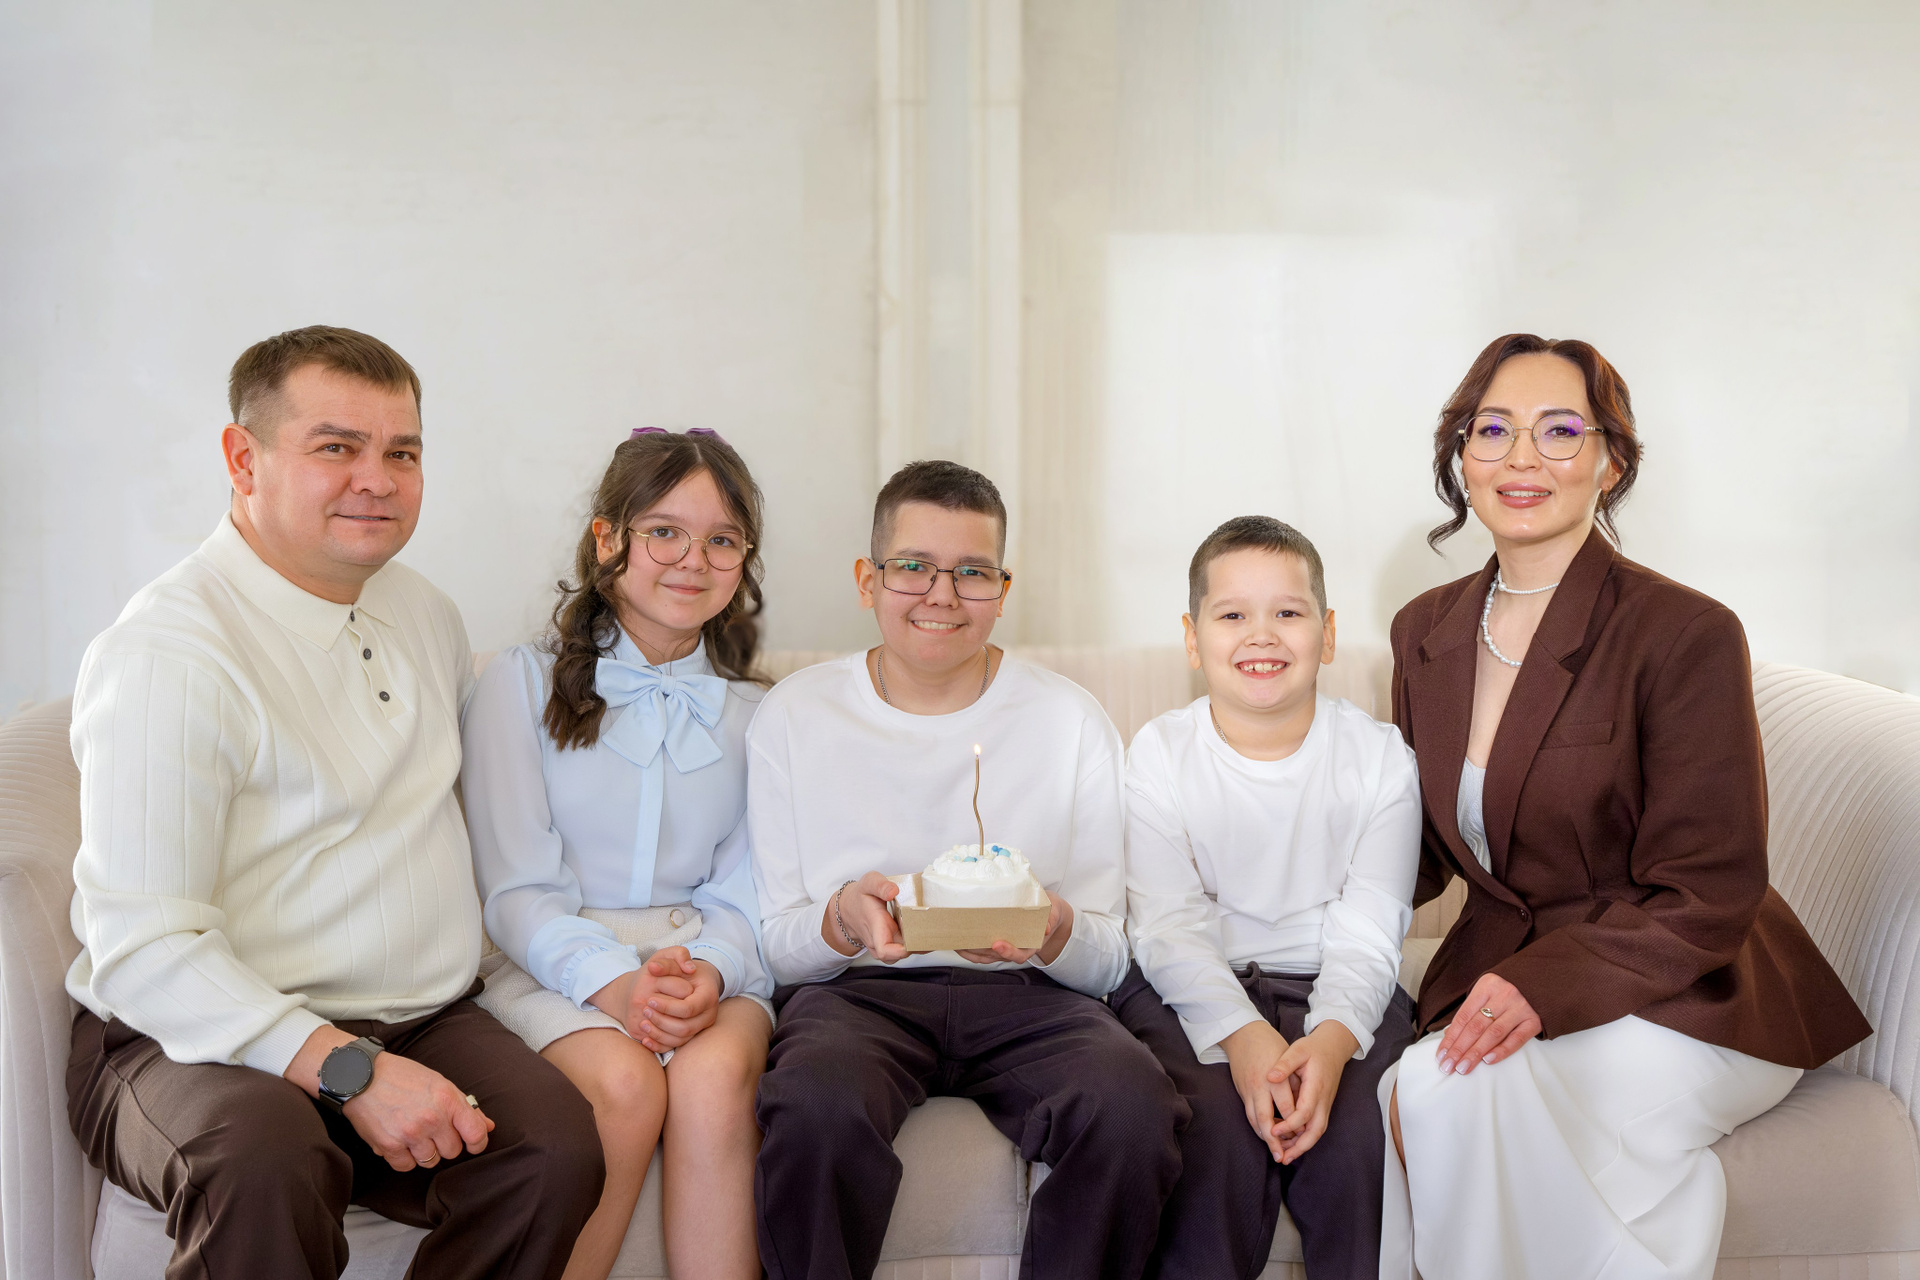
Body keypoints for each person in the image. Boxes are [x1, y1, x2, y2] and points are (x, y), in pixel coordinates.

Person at [63, 326, 604, 1279]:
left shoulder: (425, 613)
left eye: (403, 453)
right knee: (264, 1158)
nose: (377, 481)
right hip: (187, 1037)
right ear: (243, 460)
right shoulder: (168, 655)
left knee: (552, 1149)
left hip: (421, 1016)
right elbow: (143, 949)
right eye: (336, 447)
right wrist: (349, 1070)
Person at [1381, 333, 1872, 1280]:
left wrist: (1544, 985)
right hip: (1506, 977)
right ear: (1462, 459)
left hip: (1688, 991)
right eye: (1494, 430)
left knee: (1440, 1097)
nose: (1522, 458)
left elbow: (1711, 890)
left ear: (1610, 462)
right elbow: (1415, 849)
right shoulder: (1424, 630)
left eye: (1560, 431)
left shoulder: (1684, 632)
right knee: (1421, 1094)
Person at [747, 460, 1186, 1280]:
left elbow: (1108, 960)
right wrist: (842, 918)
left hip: (1032, 999)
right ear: (867, 580)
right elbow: (774, 946)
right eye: (913, 566)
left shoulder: (1070, 721)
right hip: (857, 996)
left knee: (1131, 1105)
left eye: (972, 572)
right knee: (813, 1109)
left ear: (1002, 589)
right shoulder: (796, 716)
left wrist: (1051, 927)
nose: (942, 595)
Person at [461, 427, 775, 1280]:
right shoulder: (518, 684)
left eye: (722, 540)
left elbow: (748, 891)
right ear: (608, 540)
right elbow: (515, 888)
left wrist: (710, 970)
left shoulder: (760, 716)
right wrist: (616, 984)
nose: (693, 560)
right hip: (549, 961)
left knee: (714, 1079)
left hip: (705, 960)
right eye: (665, 531)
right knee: (627, 1084)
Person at [1113, 515, 1421, 1280]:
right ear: (1192, 639)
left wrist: (1333, 1041)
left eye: (1288, 611)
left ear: (1328, 632)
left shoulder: (1379, 758)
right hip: (1192, 989)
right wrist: (1244, 1038)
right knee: (1207, 1138)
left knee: (1358, 1146)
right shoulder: (1159, 754)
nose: (1262, 635)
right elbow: (1168, 927)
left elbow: (1370, 930)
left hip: (1339, 988)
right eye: (1231, 615)